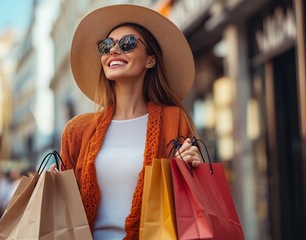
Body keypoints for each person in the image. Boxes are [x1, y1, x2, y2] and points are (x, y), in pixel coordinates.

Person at [51, 4, 201, 239]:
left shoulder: (173, 120)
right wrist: (54, 187)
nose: (114, 51)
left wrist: (191, 167)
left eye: (128, 43)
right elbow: (63, 216)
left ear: (150, 60)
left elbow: (188, 202)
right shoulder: (77, 131)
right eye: (106, 45)